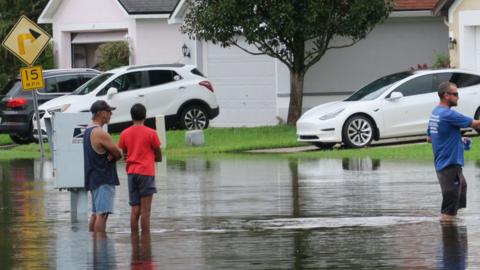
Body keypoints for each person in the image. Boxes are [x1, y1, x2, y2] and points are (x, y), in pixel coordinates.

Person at [427, 82, 480, 221]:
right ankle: (449, 238)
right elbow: (476, 124)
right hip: (449, 166)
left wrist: (458, 139)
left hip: (446, 165)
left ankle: (457, 237)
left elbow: (430, 138)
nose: (458, 97)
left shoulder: (436, 112)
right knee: (448, 213)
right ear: (446, 95)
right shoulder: (448, 114)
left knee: (462, 188)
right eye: (455, 94)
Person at [118, 103, 162, 233]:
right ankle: (145, 242)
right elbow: (158, 154)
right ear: (145, 116)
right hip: (146, 172)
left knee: (134, 209)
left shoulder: (125, 133)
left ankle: (134, 239)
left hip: (131, 173)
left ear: (131, 117)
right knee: (145, 211)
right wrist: (151, 159)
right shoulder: (151, 133)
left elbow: (124, 153)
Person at [84, 100, 122, 233]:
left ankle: (94, 246)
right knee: (102, 214)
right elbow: (118, 153)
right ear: (100, 113)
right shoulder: (100, 133)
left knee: (95, 213)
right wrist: (115, 154)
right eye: (108, 111)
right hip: (103, 178)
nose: (111, 114)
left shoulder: (87, 130)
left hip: (93, 178)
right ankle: (101, 247)